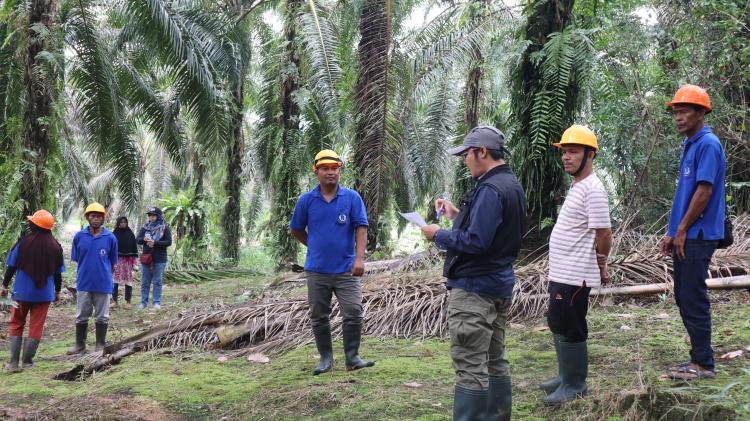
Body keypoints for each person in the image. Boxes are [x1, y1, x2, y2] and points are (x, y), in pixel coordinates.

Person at [421, 126, 525, 421]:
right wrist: (456, 215)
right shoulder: (510, 184)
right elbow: (494, 230)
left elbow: (477, 242)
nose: (465, 160)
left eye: (467, 154)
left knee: (470, 364)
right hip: (499, 284)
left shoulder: (491, 190)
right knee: (494, 360)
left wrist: (439, 235)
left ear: (482, 152)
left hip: (475, 290)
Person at [540, 124, 612, 406]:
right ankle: (564, 375)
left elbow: (604, 233)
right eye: (564, 152)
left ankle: (575, 384)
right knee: (557, 321)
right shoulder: (578, 187)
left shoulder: (593, 189)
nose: (566, 157)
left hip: (576, 274)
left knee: (571, 325)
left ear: (590, 155)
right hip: (563, 271)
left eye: (573, 152)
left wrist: (602, 263)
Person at [660, 85, 725, 381]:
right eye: (675, 112)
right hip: (687, 233)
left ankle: (703, 364)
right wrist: (672, 231)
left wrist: (683, 229)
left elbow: (704, 192)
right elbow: (687, 194)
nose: (678, 117)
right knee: (683, 296)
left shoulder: (708, 144)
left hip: (699, 235)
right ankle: (697, 359)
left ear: (701, 113)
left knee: (692, 296)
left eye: (684, 111)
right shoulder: (691, 144)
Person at [289, 149, 374, 375]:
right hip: (317, 270)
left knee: (353, 312)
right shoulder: (306, 201)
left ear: (340, 171)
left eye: (334, 168)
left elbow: (361, 228)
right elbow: (296, 229)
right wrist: (314, 244)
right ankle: (326, 359)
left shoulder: (352, 198)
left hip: (347, 269)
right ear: (316, 171)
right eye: (325, 169)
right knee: (319, 315)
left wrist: (359, 258)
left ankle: (352, 357)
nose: (330, 173)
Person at [2, 210, 64, 372]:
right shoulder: (56, 247)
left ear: (34, 225)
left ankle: (14, 363)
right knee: (36, 325)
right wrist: (57, 292)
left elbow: (11, 266)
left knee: (16, 323)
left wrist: (4, 285)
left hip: (21, 292)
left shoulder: (23, 243)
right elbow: (57, 273)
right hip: (44, 294)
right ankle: (28, 362)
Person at [69, 203, 118, 354]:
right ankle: (79, 346)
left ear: (103, 218)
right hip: (84, 282)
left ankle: (100, 345)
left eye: (99, 216)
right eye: (93, 216)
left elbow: (113, 263)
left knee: (102, 316)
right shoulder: (79, 237)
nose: (96, 219)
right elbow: (77, 259)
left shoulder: (110, 238)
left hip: (103, 283)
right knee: (81, 315)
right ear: (87, 217)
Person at [136, 207, 172, 310]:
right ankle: (143, 303)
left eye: (153, 215)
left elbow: (168, 242)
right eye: (149, 215)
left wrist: (155, 243)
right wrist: (144, 239)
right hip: (146, 258)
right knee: (145, 282)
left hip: (159, 259)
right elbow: (137, 239)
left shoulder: (164, 227)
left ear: (159, 216)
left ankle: (156, 302)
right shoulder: (145, 227)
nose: (151, 217)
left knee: (157, 282)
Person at [112, 216, 138, 309]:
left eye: (124, 222)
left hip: (127, 262)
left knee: (128, 281)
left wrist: (135, 263)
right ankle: (114, 301)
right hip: (117, 261)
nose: (123, 223)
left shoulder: (130, 234)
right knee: (115, 281)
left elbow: (134, 248)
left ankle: (128, 302)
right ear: (118, 223)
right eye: (121, 222)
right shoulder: (114, 234)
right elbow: (111, 248)